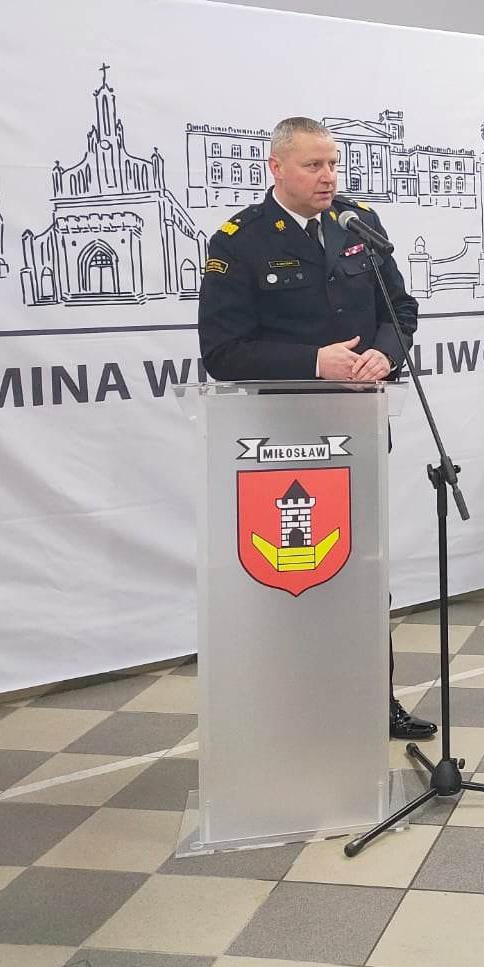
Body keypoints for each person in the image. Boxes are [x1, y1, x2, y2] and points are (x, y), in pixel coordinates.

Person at [198, 116, 436, 742]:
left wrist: (385, 354)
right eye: (313, 165)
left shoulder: (358, 225)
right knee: (295, 574)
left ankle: (374, 700)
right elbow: (222, 353)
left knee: (363, 569)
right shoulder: (239, 241)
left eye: (332, 163)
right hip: (282, 440)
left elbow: (400, 309)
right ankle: (287, 708)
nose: (328, 176)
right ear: (276, 168)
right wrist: (313, 362)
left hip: (359, 428)